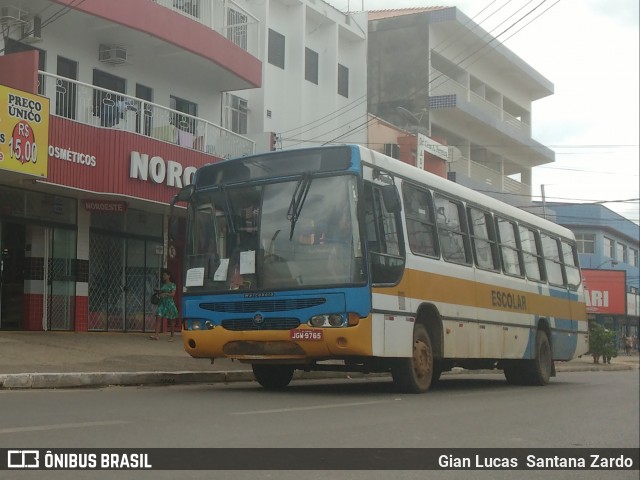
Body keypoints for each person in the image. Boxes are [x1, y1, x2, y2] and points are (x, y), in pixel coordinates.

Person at [149, 268, 180, 341]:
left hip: (169, 303)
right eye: (163, 275)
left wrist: (165, 294)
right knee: (158, 317)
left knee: (172, 320)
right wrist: (159, 293)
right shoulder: (163, 285)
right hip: (162, 303)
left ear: (169, 276)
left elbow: (173, 294)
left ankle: (172, 336)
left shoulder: (173, 285)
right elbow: (161, 293)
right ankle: (156, 335)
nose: (164, 276)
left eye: (165, 275)